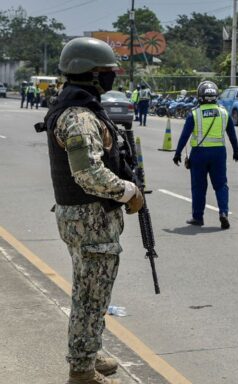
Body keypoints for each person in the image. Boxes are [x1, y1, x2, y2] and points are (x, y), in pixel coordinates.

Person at [42, 37, 143, 384]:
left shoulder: (75, 109)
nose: (111, 76)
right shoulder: (80, 117)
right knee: (89, 295)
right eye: (108, 71)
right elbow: (88, 173)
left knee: (92, 291)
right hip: (90, 221)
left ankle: (89, 348)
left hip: (83, 219)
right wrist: (128, 191)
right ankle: (82, 370)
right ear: (92, 74)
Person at [172, 81, 238, 229]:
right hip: (219, 153)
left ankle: (198, 217)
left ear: (199, 96)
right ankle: (223, 213)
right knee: (221, 185)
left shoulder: (194, 114)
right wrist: (236, 151)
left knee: (199, 187)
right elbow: (232, 135)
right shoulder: (224, 113)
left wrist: (177, 153)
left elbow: (184, 136)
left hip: (199, 154)